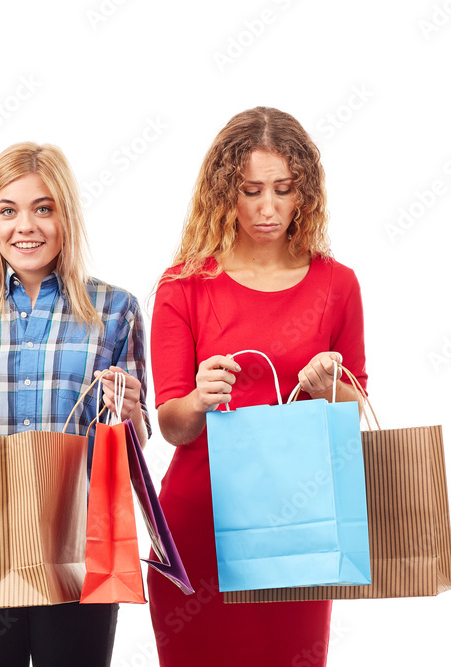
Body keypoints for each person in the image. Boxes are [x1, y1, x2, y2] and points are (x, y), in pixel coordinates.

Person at [0, 142, 150, 667]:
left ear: (66, 214)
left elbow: (132, 449)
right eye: (8, 210)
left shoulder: (115, 310)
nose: (27, 226)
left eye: (44, 208)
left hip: (78, 548)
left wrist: (130, 409)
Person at [148, 106, 367, 666]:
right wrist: (199, 398)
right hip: (199, 528)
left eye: (283, 189)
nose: (267, 208)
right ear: (225, 192)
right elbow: (172, 426)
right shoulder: (182, 286)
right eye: (250, 191)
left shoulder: (336, 284)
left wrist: (329, 386)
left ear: (304, 192)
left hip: (300, 529)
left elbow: (356, 411)